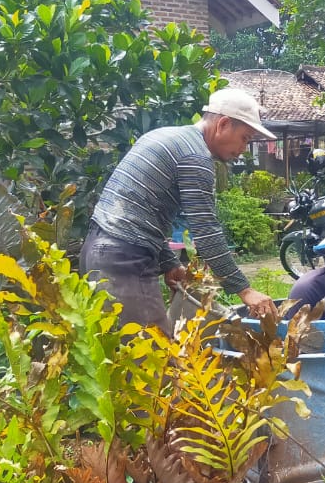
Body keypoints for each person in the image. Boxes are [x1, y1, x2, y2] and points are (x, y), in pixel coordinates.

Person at [82, 88, 279, 329]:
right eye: (245, 138)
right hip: (123, 260)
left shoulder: (167, 137)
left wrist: (169, 263)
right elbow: (206, 232)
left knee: (125, 356)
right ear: (223, 124)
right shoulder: (195, 157)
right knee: (156, 358)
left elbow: (143, 215)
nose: (242, 150)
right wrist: (245, 290)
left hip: (98, 248)